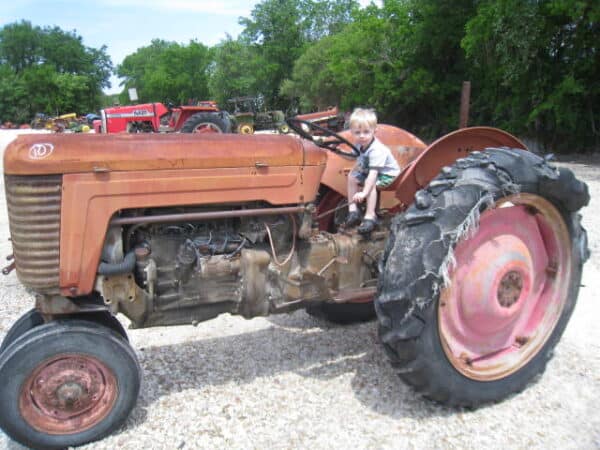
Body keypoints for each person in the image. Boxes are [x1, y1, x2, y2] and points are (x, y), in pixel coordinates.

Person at [345, 108, 400, 233]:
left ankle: (370, 216)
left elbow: (373, 174)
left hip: (388, 175)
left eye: (366, 132)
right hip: (371, 172)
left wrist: (363, 193)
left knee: (371, 185)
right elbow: (351, 156)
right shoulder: (359, 144)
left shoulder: (376, 150)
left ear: (374, 131)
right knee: (352, 177)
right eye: (357, 132)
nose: (362, 136)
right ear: (352, 132)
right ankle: (353, 210)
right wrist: (335, 150)